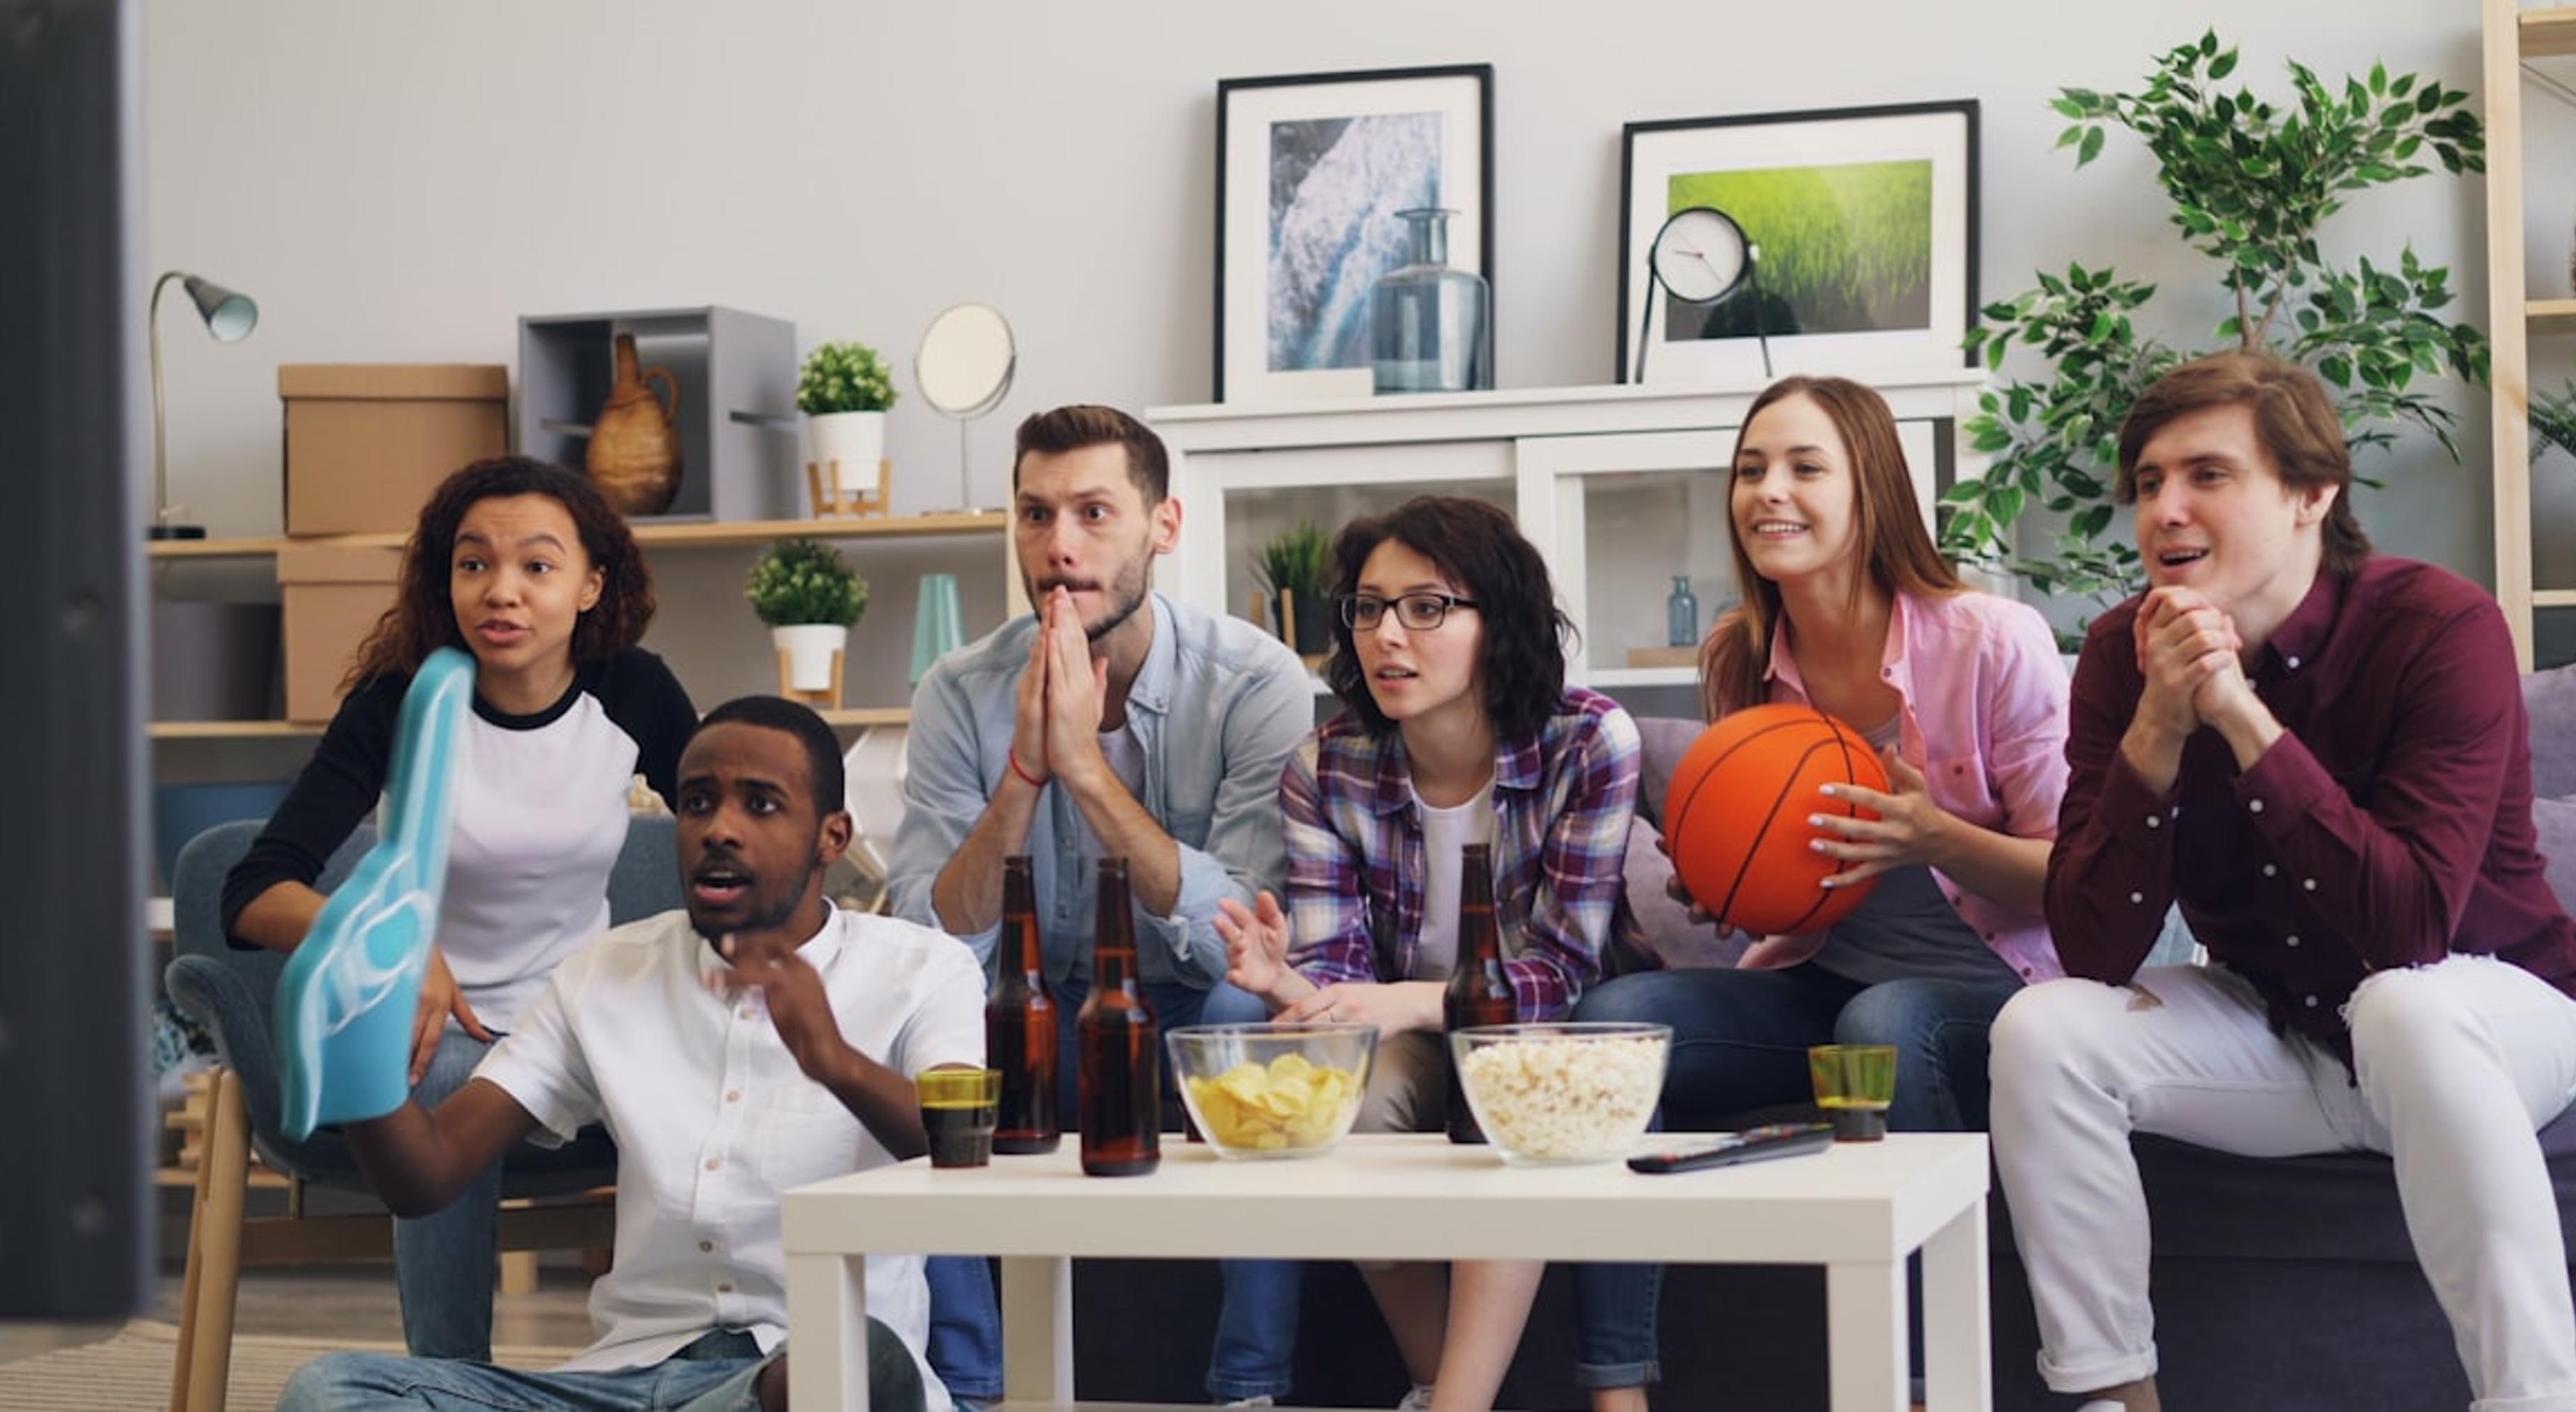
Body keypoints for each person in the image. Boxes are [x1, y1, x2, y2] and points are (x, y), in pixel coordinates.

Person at [1988, 351, 2576, 1412]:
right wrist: (2154, 730)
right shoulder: (2119, 655)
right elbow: (2091, 949)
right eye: (2147, 483)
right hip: (2282, 1031)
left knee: (2406, 1006)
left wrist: (2237, 717)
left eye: (2208, 475)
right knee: (2043, 1028)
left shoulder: (2440, 628)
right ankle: (2115, 1400)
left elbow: (2408, 926)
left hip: (2492, 1012)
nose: (2166, 509)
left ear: (2311, 493)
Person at [1568, 375, 2072, 1411]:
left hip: (2001, 993)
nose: (1769, 492)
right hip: (1822, 983)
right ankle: (1618, 1389)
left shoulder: (1992, 641)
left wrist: (1936, 838)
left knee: (1886, 1021)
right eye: (1751, 469)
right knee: (1615, 1022)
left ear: (1873, 488)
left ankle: (1927, 1387)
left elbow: (2075, 882)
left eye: (1805, 467)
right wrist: (1733, 893)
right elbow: (1783, 884)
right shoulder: (1742, 657)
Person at [275, 695, 984, 1412]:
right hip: (619, 1382)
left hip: (797, 1381)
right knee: (330, 1391)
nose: (719, 830)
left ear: (831, 838)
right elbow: (426, 1177)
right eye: (698, 803)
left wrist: (835, 1061)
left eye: (761, 806)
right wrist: (354, 1051)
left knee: (859, 1360)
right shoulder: (606, 973)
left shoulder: (924, 970)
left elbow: (968, 1157)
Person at [888, 404, 1316, 1408]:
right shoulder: (961, 690)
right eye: (1035, 515)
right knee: (932, 1038)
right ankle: (971, 1390)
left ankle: (1249, 1390)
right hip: (1032, 1020)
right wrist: (1025, 777)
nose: (1059, 548)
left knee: (1246, 1024)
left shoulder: (1256, 681)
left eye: (1092, 513)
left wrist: (1085, 768)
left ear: (1163, 526)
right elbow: (929, 943)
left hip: (1186, 1015)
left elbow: (1241, 943)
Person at [223, 455, 698, 1359]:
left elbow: (733, 829)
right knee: (442, 1082)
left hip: (578, 1017)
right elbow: (254, 891)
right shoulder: (400, 701)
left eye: (537, 566)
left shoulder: (634, 693)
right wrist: (398, 948)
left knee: (699, 1057)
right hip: (428, 1031)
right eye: (474, 563)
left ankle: (667, 1365)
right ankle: (448, 1380)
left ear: (593, 584)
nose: (501, 591)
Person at [1212, 494, 1644, 1412]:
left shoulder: (1589, 742)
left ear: (1503, 619)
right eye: (1369, 608)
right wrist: (1290, 982)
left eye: (1427, 607)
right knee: (1347, 1108)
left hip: (1543, 1031)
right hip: (1405, 1032)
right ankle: (1432, 1382)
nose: (1387, 635)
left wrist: (1412, 1002)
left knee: (1515, 1089)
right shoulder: (1325, 765)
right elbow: (1338, 979)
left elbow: (1562, 969)